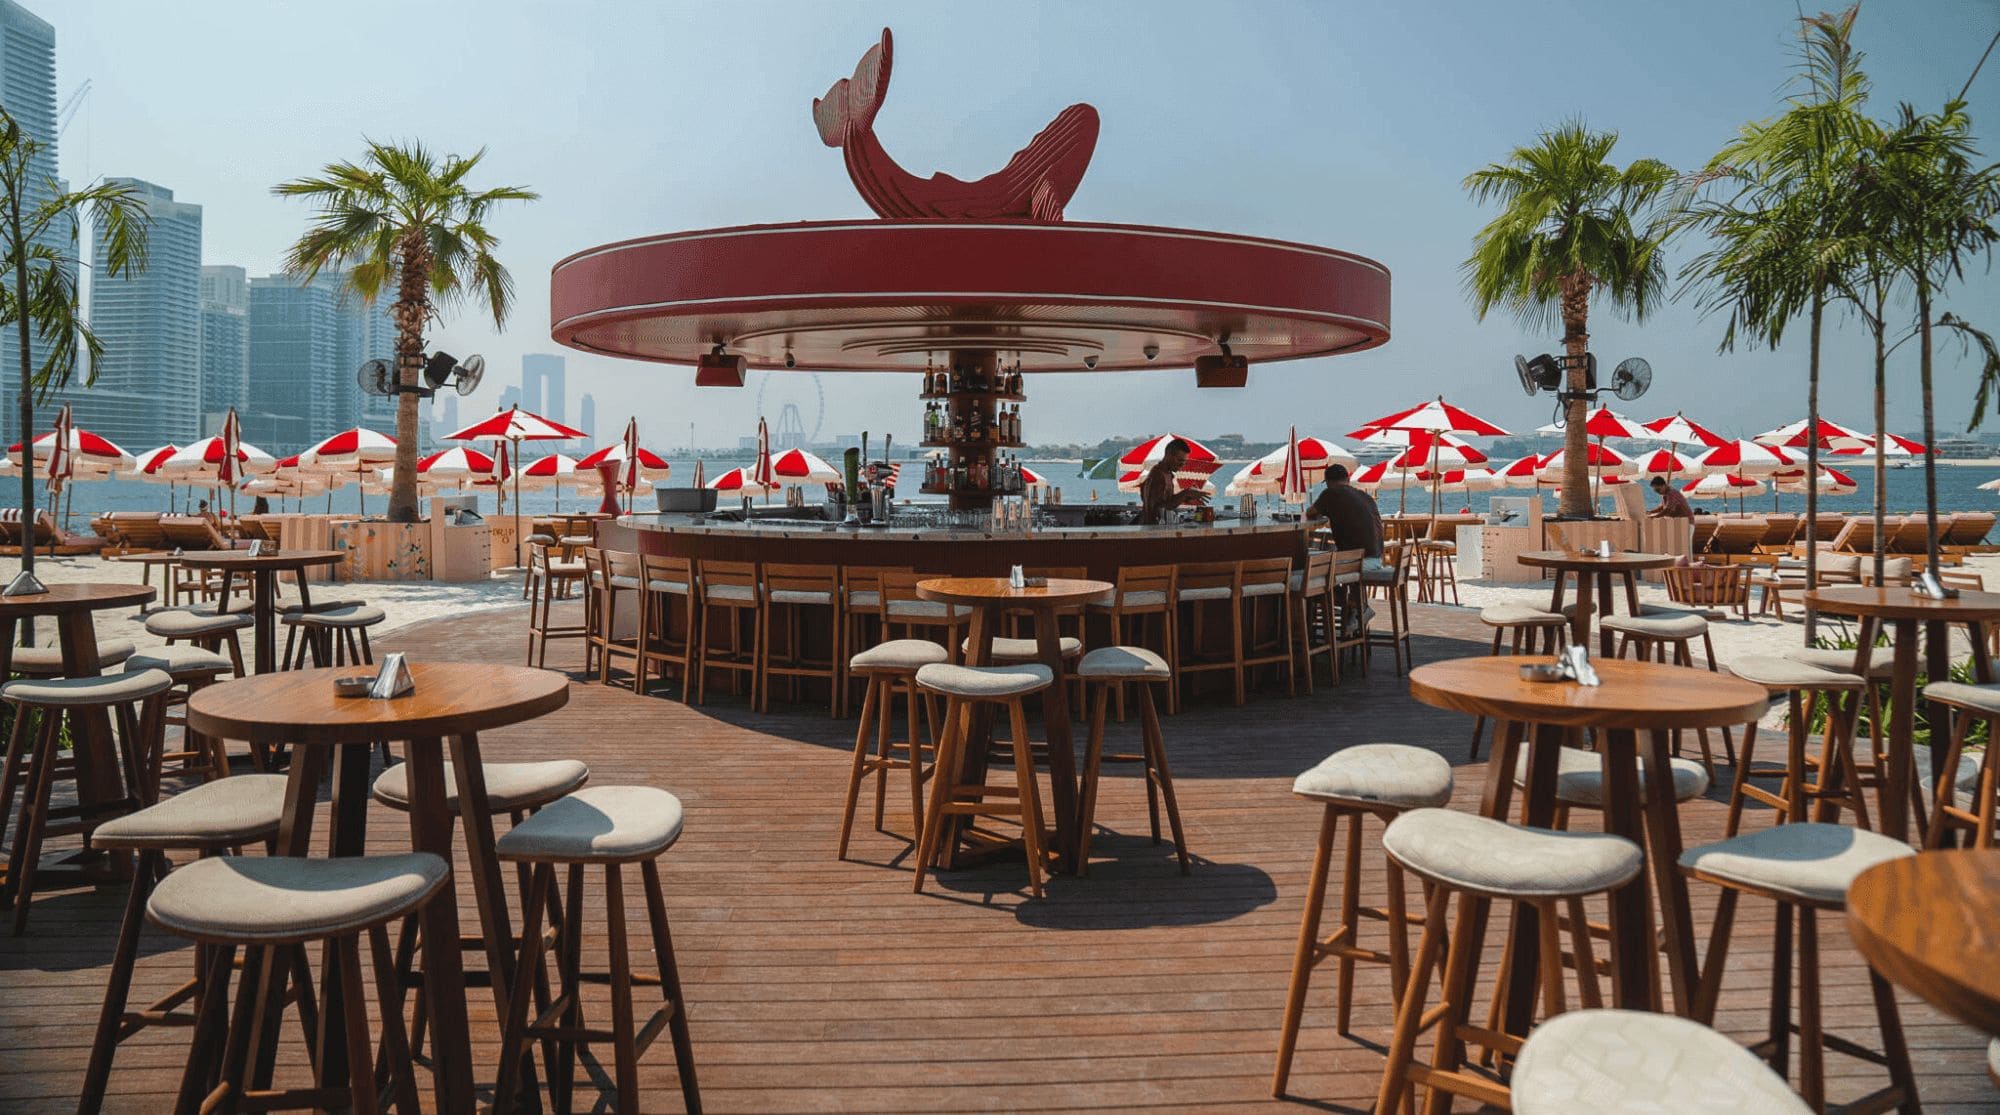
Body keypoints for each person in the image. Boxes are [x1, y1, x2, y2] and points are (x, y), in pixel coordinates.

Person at [1306, 463, 1386, 571]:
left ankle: (1337, 588)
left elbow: (1310, 512)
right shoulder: (1365, 496)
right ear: (1348, 479)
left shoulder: (1330, 493)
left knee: (1313, 567)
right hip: (1377, 559)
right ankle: (1344, 588)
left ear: (1328, 482)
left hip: (1357, 561)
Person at [1138, 438, 1210, 524]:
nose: (1182, 465)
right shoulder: (1158, 475)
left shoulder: (1166, 474)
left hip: (1156, 528)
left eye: (1184, 462)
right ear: (1169, 455)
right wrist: (1186, 493)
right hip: (1153, 530)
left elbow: (1167, 502)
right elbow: (1158, 508)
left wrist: (1186, 497)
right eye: (1180, 460)